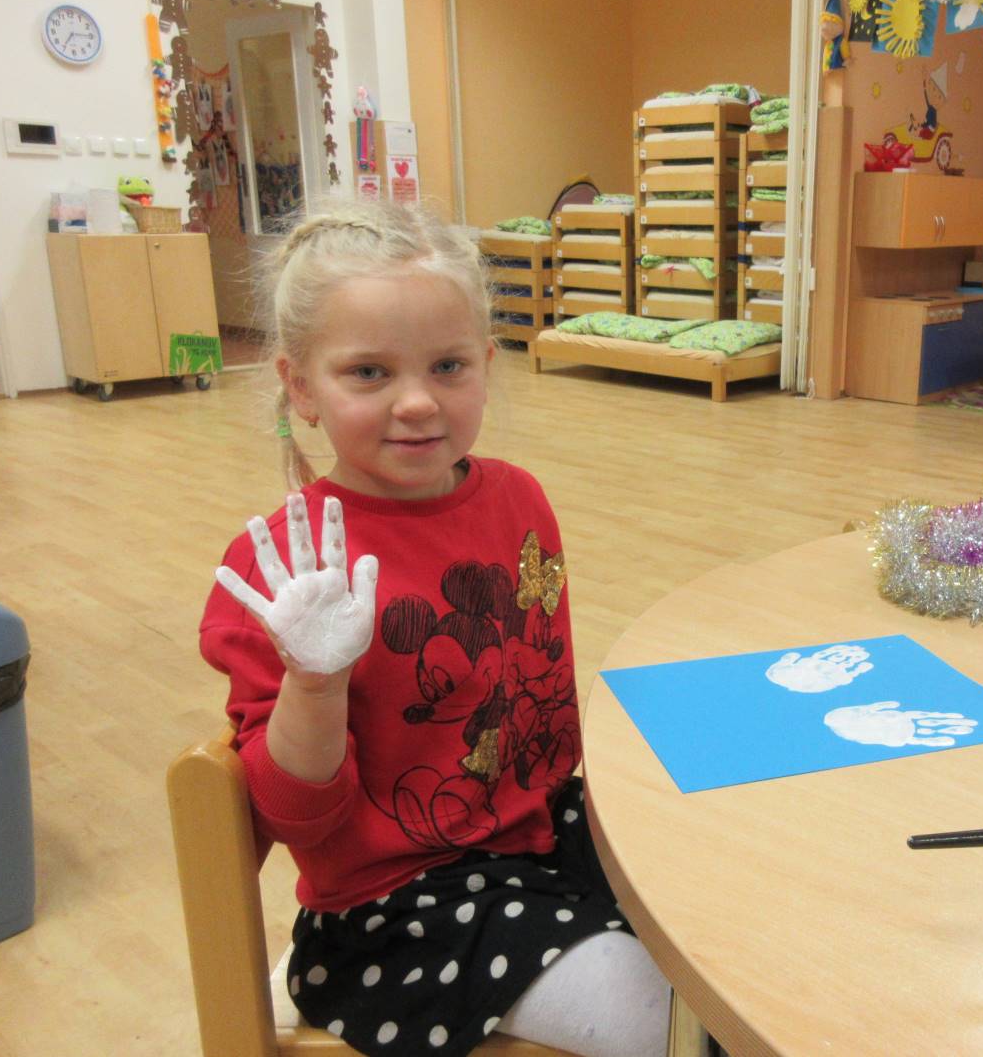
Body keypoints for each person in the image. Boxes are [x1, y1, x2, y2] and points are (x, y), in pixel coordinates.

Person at [199, 201, 671, 1057]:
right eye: (368, 373)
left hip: (544, 835)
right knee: (666, 1021)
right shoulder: (283, 568)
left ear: (486, 364)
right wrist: (314, 681)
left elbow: (539, 712)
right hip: (397, 912)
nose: (417, 402)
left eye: (448, 366)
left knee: (725, 919)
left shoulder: (519, 498)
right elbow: (294, 817)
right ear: (301, 387)